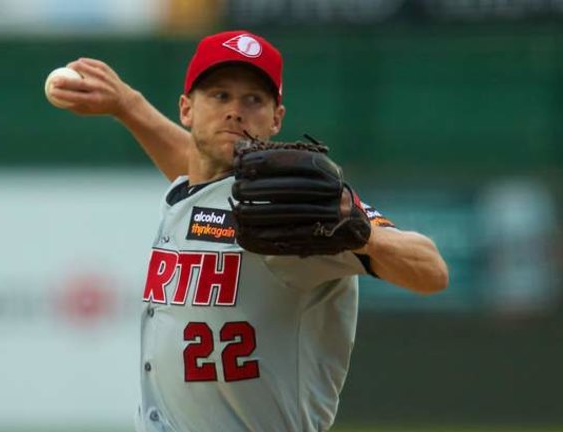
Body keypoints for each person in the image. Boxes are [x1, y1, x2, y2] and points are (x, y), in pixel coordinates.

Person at [48, 30, 448, 432]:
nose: (235, 111)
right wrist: (128, 106)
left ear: (277, 118)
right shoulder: (192, 193)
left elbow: (431, 271)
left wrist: (362, 233)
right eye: (220, 95)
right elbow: (200, 177)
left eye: (253, 99)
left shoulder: (291, 209)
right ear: (186, 109)